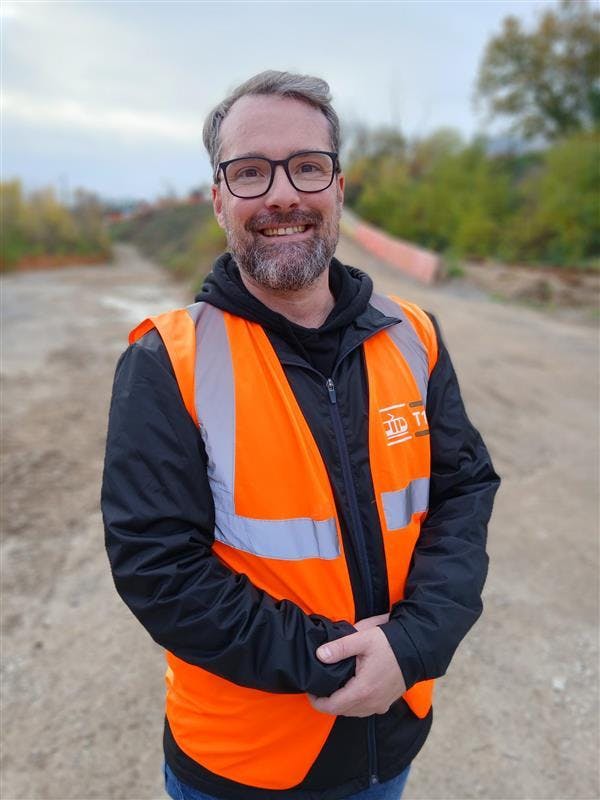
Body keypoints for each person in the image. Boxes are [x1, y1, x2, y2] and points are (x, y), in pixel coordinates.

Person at [102, 70, 500, 800]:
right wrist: (343, 659)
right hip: (243, 767)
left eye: (307, 166)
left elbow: (464, 491)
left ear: (338, 188)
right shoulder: (167, 362)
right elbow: (159, 568)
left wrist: (412, 644)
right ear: (219, 199)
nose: (282, 194)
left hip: (390, 742)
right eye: (251, 172)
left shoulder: (414, 336)